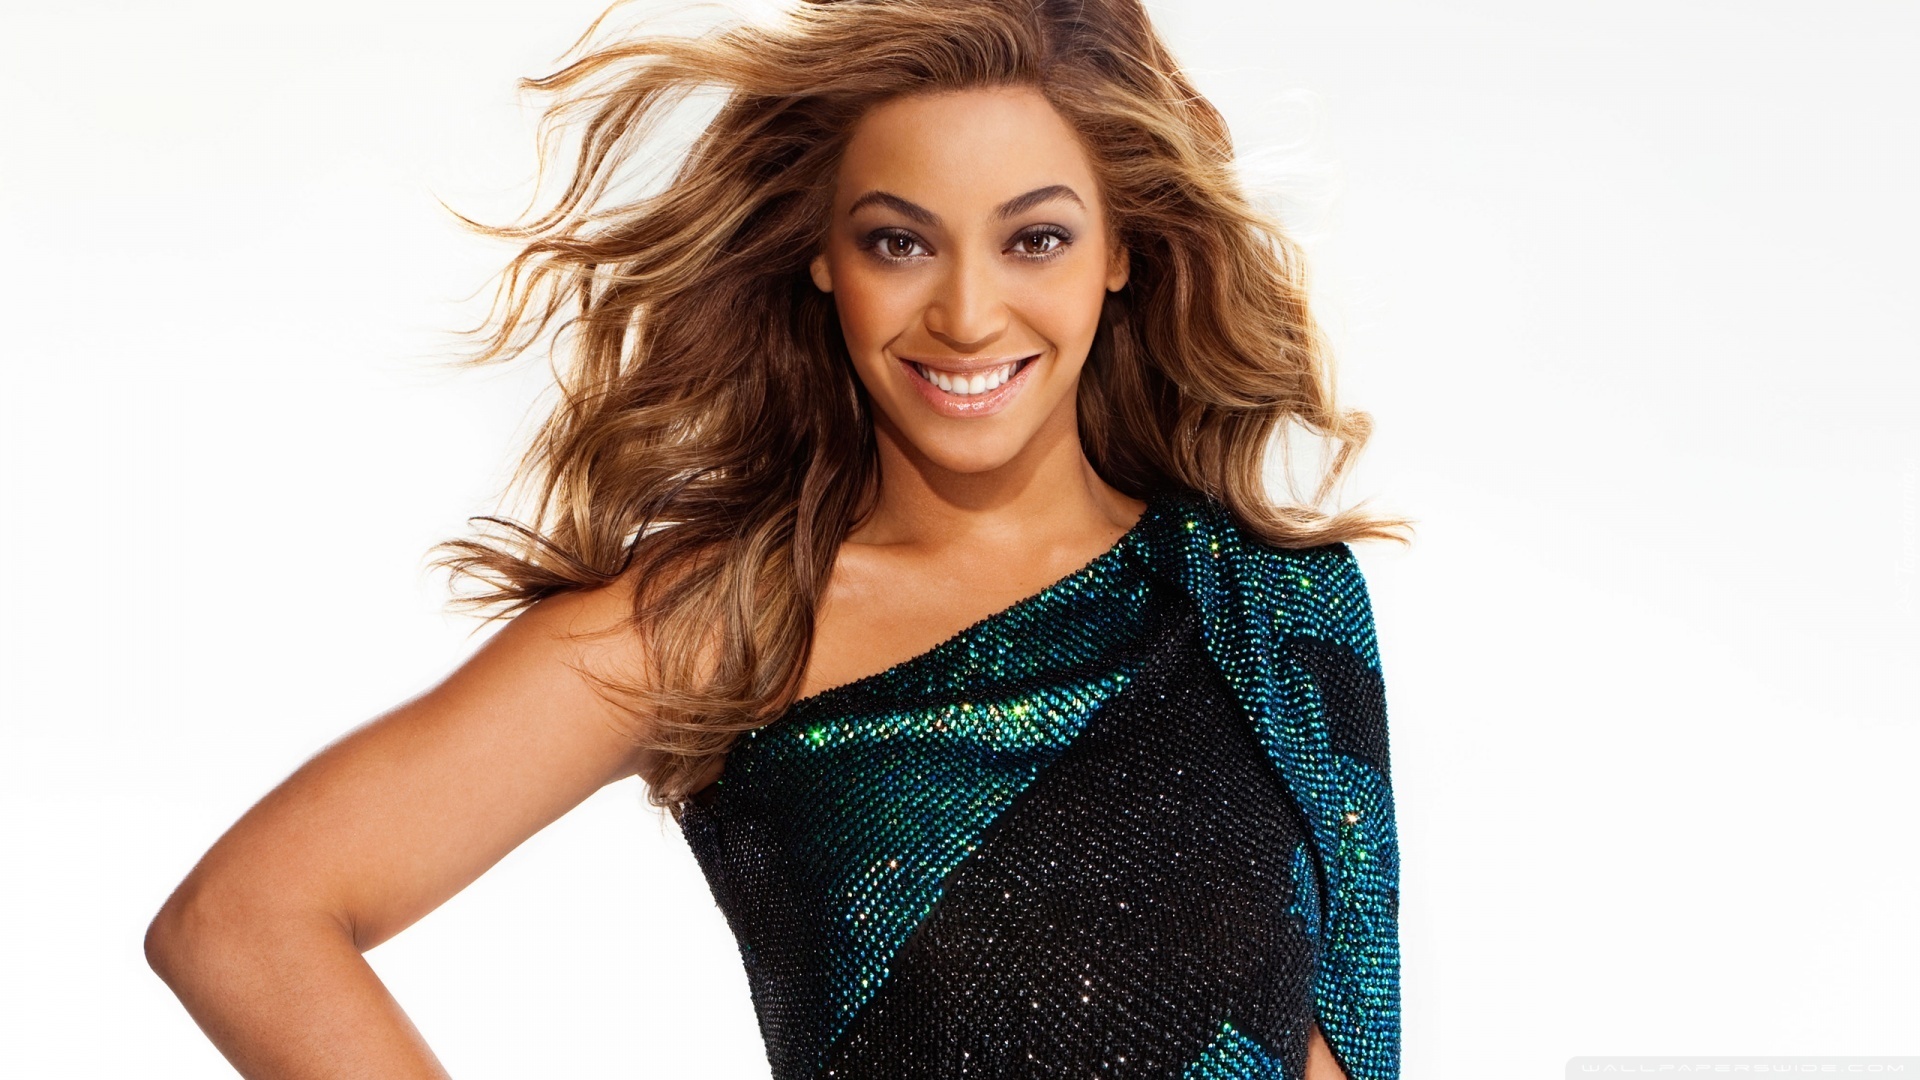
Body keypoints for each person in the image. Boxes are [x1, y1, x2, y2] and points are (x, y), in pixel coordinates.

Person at [145, 0, 1413, 1077]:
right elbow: (240, 921)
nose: (969, 314)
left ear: (1121, 251)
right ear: (823, 258)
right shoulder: (728, 622)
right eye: (899, 242)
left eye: (1035, 239)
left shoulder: (1276, 606)